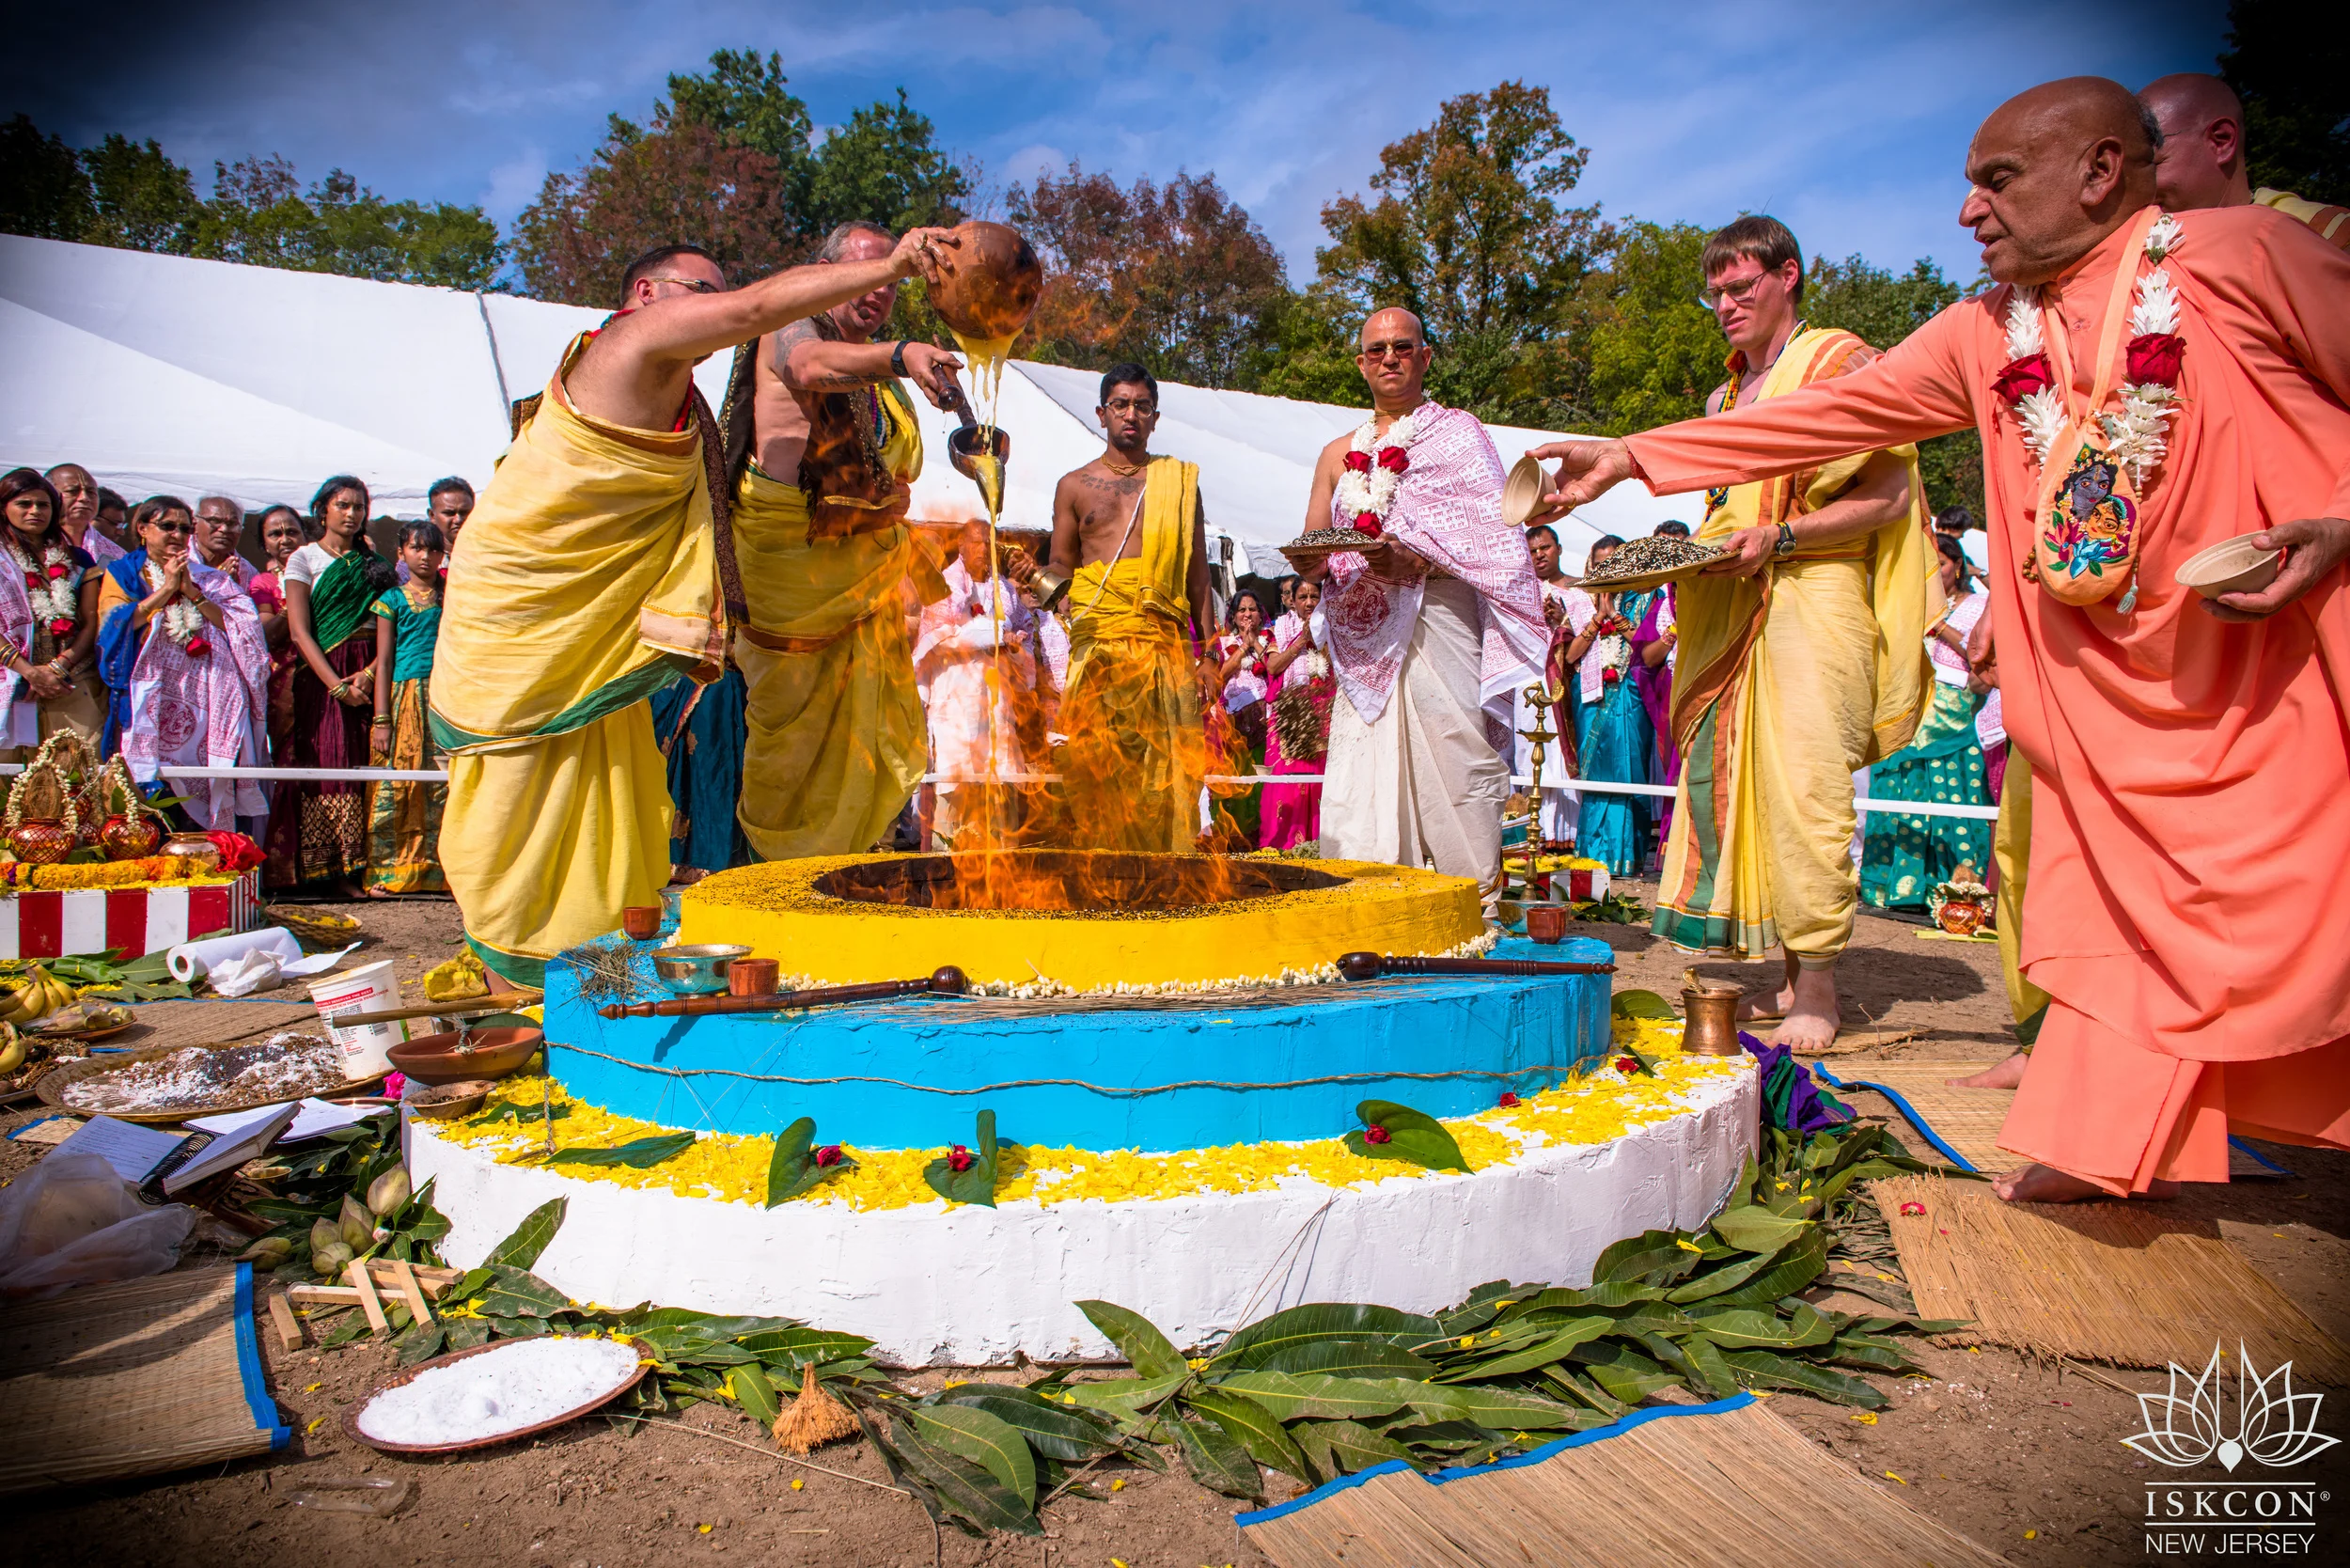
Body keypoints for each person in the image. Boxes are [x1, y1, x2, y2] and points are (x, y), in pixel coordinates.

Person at [1533, 76, 2350, 1202]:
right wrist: (1634, 456)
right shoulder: (1982, 332)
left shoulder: (2242, 256)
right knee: (2105, 898)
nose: (1967, 211)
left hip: (2270, 667)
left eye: (1996, 181)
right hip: (2097, 688)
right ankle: (2109, 1144)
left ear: (2099, 172)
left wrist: (2340, 519)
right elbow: (1828, 418)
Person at [432, 230, 955, 986]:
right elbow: (762, 315)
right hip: (530, 620)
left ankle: (574, 973)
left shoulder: (677, 385)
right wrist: (899, 281)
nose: (718, 306)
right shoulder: (632, 341)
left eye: (719, 291)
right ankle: (517, 979)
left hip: (592, 621)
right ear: (646, 295)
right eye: (701, 291)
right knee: (517, 797)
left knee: (595, 797)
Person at [1539, 216, 1936, 1050]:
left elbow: (1891, 496)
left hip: (1814, 592)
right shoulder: (1722, 403)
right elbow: (1723, 515)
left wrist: (1784, 536)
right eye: (1714, 292)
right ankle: (1787, 978)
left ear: (1789, 276)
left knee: (1805, 788)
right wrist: (1688, 555)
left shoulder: (1839, 363)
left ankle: (1819, 988)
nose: (1724, 305)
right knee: (1743, 789)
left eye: (1740, 286)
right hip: (1727, 600)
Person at [719, 221, 966, 861]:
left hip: (864, 582)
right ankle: (778, 872)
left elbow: (890, 474)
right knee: (791, 747)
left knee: (869, 744)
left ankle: (842, 869)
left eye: (892, 280)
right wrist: (900, 354)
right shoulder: (790, 325)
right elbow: (807, 366)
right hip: (791, 575)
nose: (879, 290)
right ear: (825, 274)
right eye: (866, 273)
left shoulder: (883, 376)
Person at [1296, 308, 1548, 912]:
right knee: (1364, 767)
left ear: (1425, 357)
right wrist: (1309, 562)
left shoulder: (1459, 436)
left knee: (1456, 750)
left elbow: (1496, 541)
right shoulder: (1336, 454)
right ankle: (1371, 902)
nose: (1389, 357)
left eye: (1402, 346)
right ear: (1361, 364)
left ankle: (1471, 902)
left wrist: (1416, 561)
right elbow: (1314, 544)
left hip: (1441, 614)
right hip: (1364, 638)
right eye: (1377, 349)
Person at [1020, 363, 1218, 855]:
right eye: (1121, 404)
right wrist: (1035, 576)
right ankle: (1104, 874)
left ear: (1155, 418)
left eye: (1142, 406)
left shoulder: (1179, 483)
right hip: (1099, 652)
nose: (1131, 414)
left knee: (1166, 777)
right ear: (1101, 413)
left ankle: (1164, 876)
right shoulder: (1074, 485)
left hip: (1162, 651)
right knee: (1097, 769)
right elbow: (1062, 565)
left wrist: (1210, 655)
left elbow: (1198, 577)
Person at [95, 495, 270, 831]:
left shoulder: (212, 579)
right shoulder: (123, 572)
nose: (177, 535)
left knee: (199, 787)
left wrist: (192, 591)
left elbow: (241, 630)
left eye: (185, 529)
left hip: (206, 699)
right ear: (142, 529)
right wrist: (166, 590)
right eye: (167, 526)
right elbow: (114, 626)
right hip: (150, 695)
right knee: (147, 791)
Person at [270, 475, 398, 892]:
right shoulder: (304, 559)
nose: (352, 513)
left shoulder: (376, 566)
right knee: (331, 762)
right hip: (323, 674)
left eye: (359, 507)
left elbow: (393, 626)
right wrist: (338, 686)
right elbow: (299, 632)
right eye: (343, 505)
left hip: (372, 670)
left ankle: (372, 867)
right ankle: (332, 870)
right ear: (322, 510)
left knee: (371, 762)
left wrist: (370, 673)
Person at [1858, 535, 1994, 910]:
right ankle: (1896, 887)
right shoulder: (1906, 602)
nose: (1935, 573)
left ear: (1958, 566)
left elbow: (1980, 655)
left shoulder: (1979, 605)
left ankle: (1954, 890)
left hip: (1954, 708)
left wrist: (1938, 624)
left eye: (1942, 565)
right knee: (1901, 785)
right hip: (1908, 701)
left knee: (1951, 788)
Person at [915, 519, 1037, 848]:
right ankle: (949, 860)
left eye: (988, 543)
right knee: (957, 785)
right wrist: (993, 636)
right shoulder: (945, 585)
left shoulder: (1006, 592)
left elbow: (1025, 641)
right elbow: (937, 640)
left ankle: (1002, 862)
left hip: (997, 703)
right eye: (976, 542)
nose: (983, 549)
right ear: (961, 546)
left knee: (1000, 786)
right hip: (956, 703)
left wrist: (1014, 646)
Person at [2138, 73, 2349, 247]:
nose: (2135, 191)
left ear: (2221, 141)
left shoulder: (2327, 237)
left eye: (2150, 164)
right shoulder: (2142, 245)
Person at [1556, 538, 1659, 875]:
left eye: (1614, 562)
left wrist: (1615, 615)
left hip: (1630, 696)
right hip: (1591, 697)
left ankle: (1625, 857)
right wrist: (1598, 617)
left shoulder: (1647, 597)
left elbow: (1649, 647)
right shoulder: (1582, 602)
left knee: (1628, 770)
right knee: (1596, 774)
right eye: (1601, 564)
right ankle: (1592, 855)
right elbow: (1570, 657)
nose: (1608, 570)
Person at [364, 521, 448, 895]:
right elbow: (383, 662)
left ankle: (445, 872)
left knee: (445, 787)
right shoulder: (392, 600)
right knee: (397, 783)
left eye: (433, 549)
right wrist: (381, 719)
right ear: (401, 553)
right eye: (416, 548)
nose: (425, 556)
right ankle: (390, 872)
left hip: (445, 698)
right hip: (405, 699)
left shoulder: (452, 595)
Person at [0, 467, 105, 759]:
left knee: (77, 768)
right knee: (8, 774)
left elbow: (91, 621)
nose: (35, 511)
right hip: (10, 678)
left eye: (43, 504)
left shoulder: (77, 559)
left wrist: (57, 669)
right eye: (24, 504)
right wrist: (30, 672)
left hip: (70, 680)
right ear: (3, 508)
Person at [1514, 524, 1579, 847]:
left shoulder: (1579, 590)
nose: (1539, 555)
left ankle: (1565, 834)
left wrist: (1562, 621)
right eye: (1533, 551)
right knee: (1529, 748)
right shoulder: (1519, 593)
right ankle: (1535, 832)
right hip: (1528, 678)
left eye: (1545, 548)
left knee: (1559, 750)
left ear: (1559, 549)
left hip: (1564, 681)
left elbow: (1587, 636)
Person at [1261, 575, 1329, 849]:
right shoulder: (1280, 629)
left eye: (1314, 597)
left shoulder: (1331, 625)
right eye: (1303, 597)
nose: (1309, 602)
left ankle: (1321, 841)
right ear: (1292, 601)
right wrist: (1302, 640)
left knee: (1321, 776)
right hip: (1292, 713)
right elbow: (1273, 667)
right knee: (1289, 780)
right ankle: (1287, 843)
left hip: (1323, 712)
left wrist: (1320, 637)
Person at [43, 463, 126, 566]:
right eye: (72, 491)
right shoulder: (34, 545)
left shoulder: (118, 556)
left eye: (91, 492)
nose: (84, 498)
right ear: (49, 495)